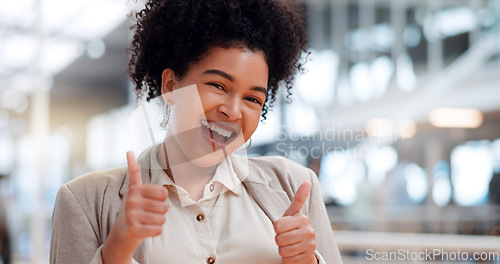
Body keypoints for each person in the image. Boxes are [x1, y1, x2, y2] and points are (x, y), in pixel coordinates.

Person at [50, 0, 343, 263]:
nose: (234, 111)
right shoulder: (84, 200)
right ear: (170, 86)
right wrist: (115, 254)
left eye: (253, 99)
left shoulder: (294, 186)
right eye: (218, 85)